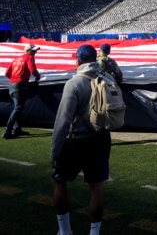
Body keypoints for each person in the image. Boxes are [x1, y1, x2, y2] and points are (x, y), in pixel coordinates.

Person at [51, 44, 113, 235]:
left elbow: (63, 120)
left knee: (59, 181)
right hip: (101, 138)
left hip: (76, 139)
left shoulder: (74, 83)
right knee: (96, 187)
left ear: (78, 60)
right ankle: (94, 232)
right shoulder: (107, 78)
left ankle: (64, 230)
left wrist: (55, 151)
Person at [3, 43, 41, 139]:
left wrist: (14, 80)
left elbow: (7, 73)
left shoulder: (17, 58)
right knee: (18, 108)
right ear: (29, 51)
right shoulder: (30, 57)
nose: (35, 52)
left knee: (18, 108)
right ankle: (8, 131)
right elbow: (32, 70)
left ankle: (17, 129)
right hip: (19, 86)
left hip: (12, 85)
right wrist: (37, 76)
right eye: (34, 50)